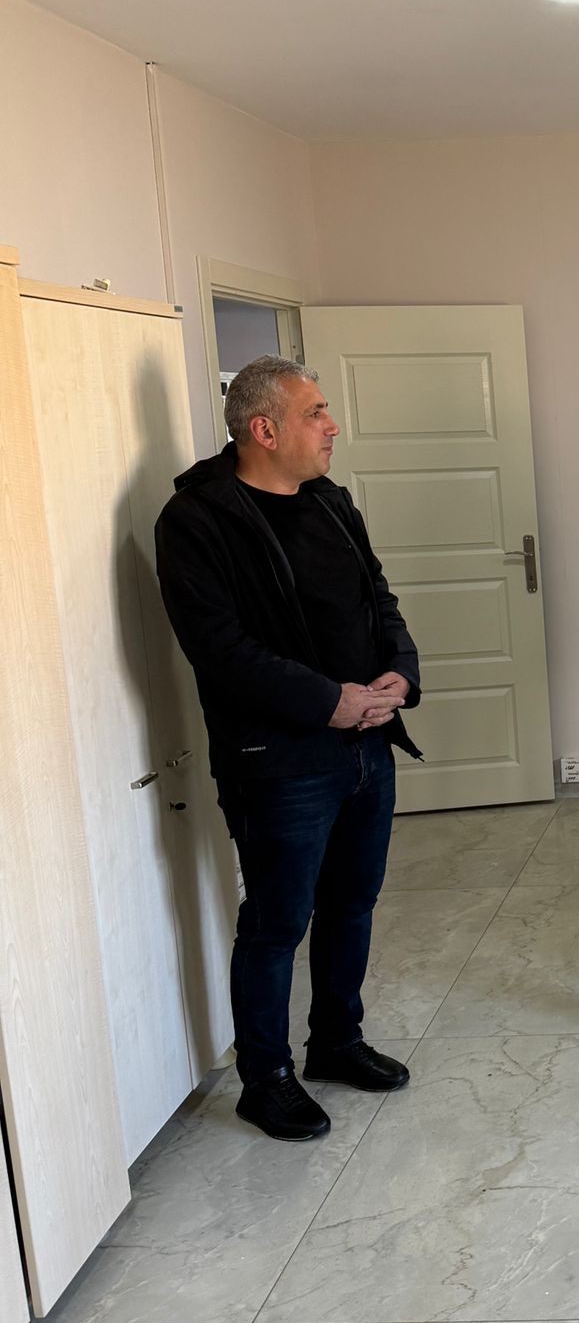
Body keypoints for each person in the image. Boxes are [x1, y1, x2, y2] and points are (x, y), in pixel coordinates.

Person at [155, 357, 421, 1141]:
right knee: (277, 923)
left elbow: (378, 597)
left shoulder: (331, 501)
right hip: (279, 762)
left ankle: (336, 1041)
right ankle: (264, 1079)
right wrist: (328, 701)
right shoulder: (197, 520)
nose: (333, 426)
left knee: (352, 904)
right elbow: (220, 648)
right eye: (316, 413)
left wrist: (400, 672)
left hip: (368, 745)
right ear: (264, 429)